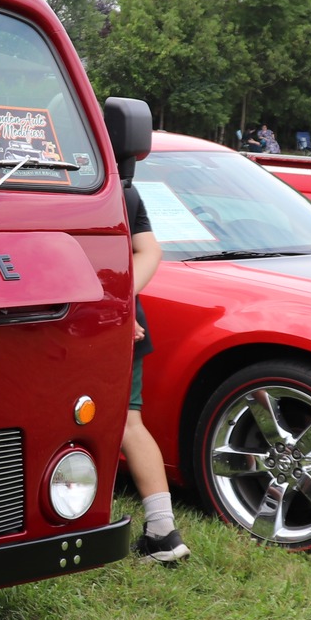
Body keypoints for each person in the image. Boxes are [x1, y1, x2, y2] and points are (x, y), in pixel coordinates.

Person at [123, 179, 187, 562]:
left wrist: (115, 303)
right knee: (129, 424)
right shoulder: (118, 185)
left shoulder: (48, 184)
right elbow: (150, 250)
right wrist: (121, 302)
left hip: (75, 319)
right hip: (122, 320)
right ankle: (163, 532)